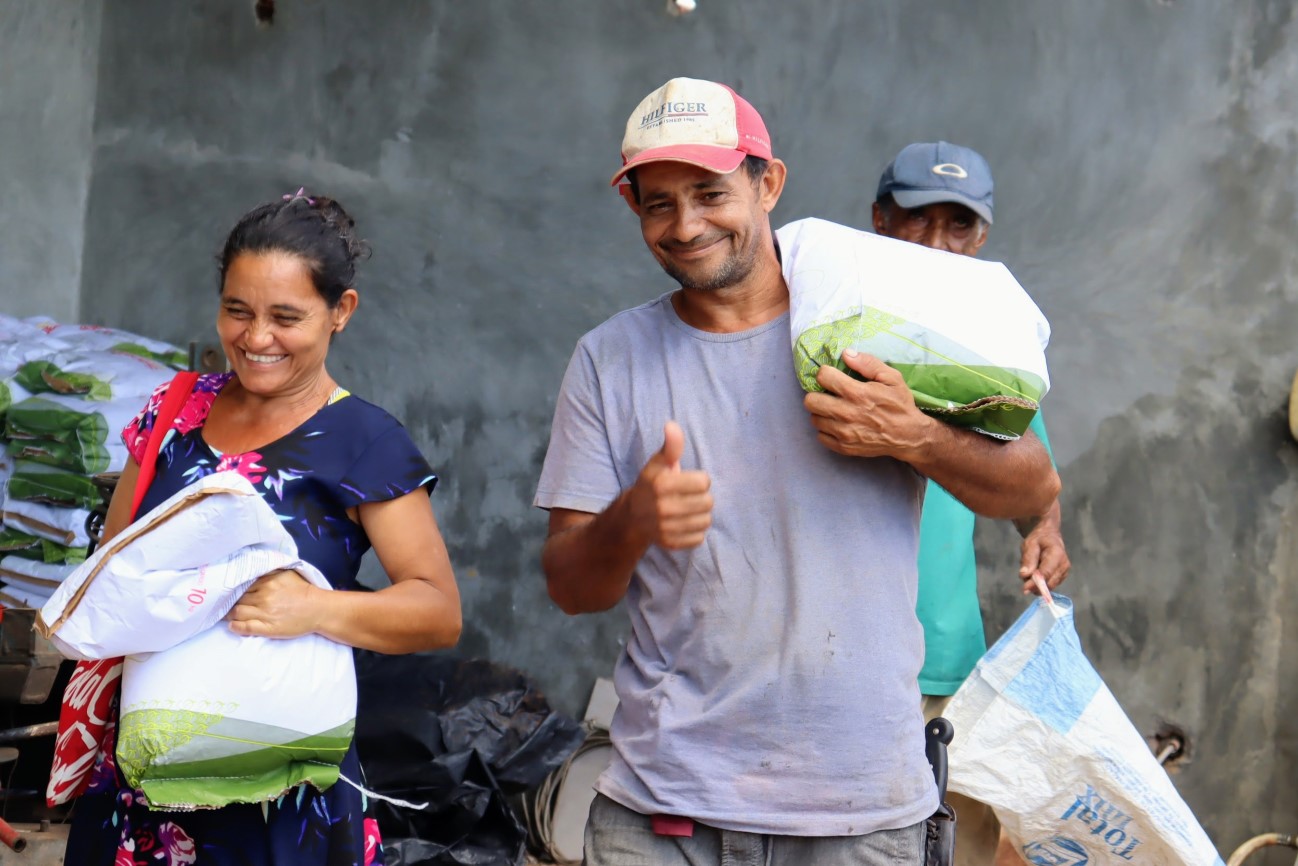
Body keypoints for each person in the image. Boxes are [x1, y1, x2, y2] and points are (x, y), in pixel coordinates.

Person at [534, 78, 1060, 866]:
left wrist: (914, 436)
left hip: (864, 809)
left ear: (767, 182)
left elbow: (1033, 486)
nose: (685, 225)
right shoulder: (609, 360)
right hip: (665, 810)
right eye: (657, 204)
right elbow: (574, 588)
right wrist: (632, 520)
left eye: (710, 193)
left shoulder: (875, 324)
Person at [63, 190, 462, 866]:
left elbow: (437, 612)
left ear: (342, 312)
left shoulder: (365, 440)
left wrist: (314, 607)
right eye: (237, 311)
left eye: (286, 317)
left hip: (282, 804)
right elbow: (115, 558)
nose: (255, 339)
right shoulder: (176, 411)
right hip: (141, 782)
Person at [873, 141, 1071, 866]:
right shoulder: (838, 322)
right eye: (919, 219)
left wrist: (1043, 525)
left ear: (981, 236)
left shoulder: (992, 342)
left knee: (958, 850)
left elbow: (1031, 469)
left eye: (958, 226)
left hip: (948, 663)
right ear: (880, 222)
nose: (937, 243)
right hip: (844, 662)